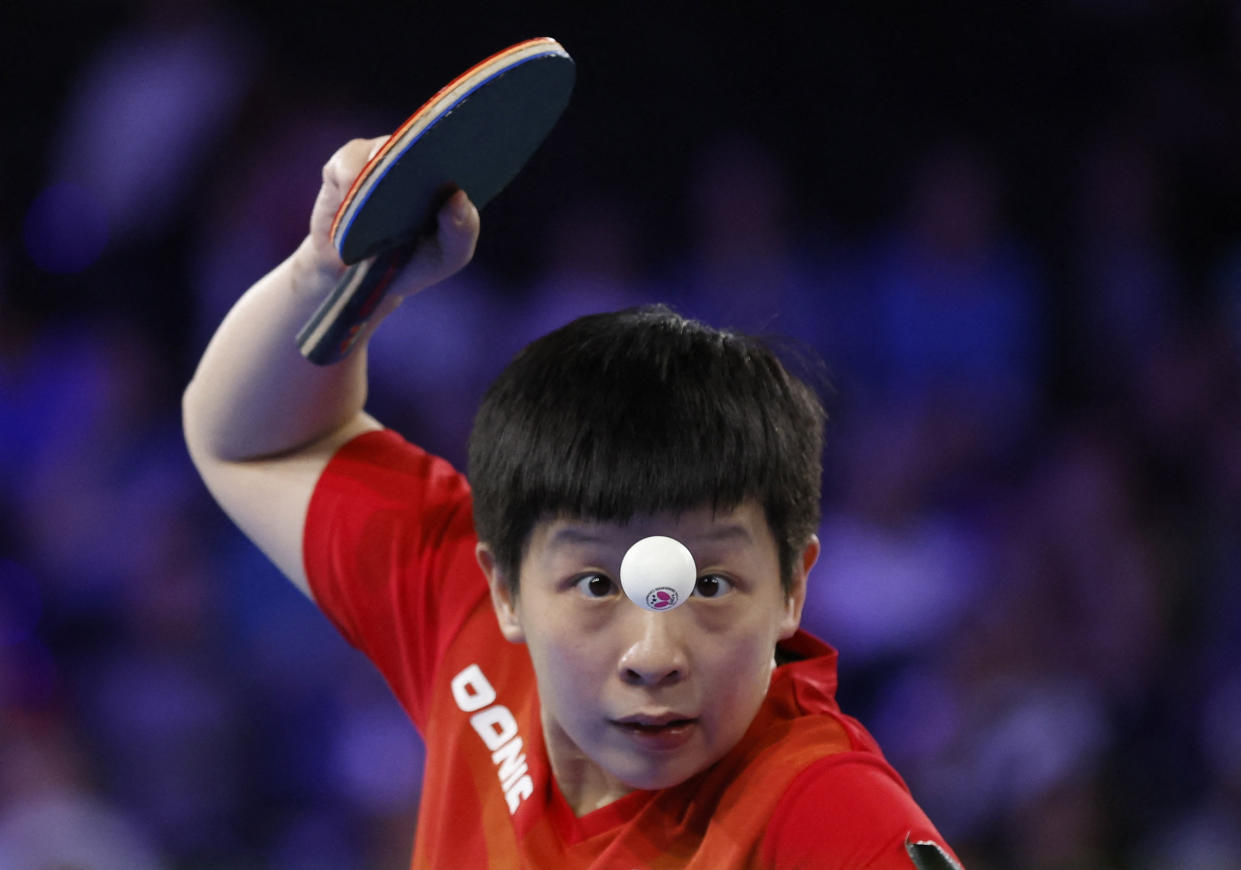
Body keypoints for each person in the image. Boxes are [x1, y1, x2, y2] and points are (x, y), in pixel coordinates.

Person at [183, 136, 964, 868]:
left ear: (793, 586)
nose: (654, 656)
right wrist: (331, 274)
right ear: (505, 588)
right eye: (596, 586)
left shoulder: (822, 809)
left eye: (712, 586)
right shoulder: (468, 617)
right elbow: (255, 441)